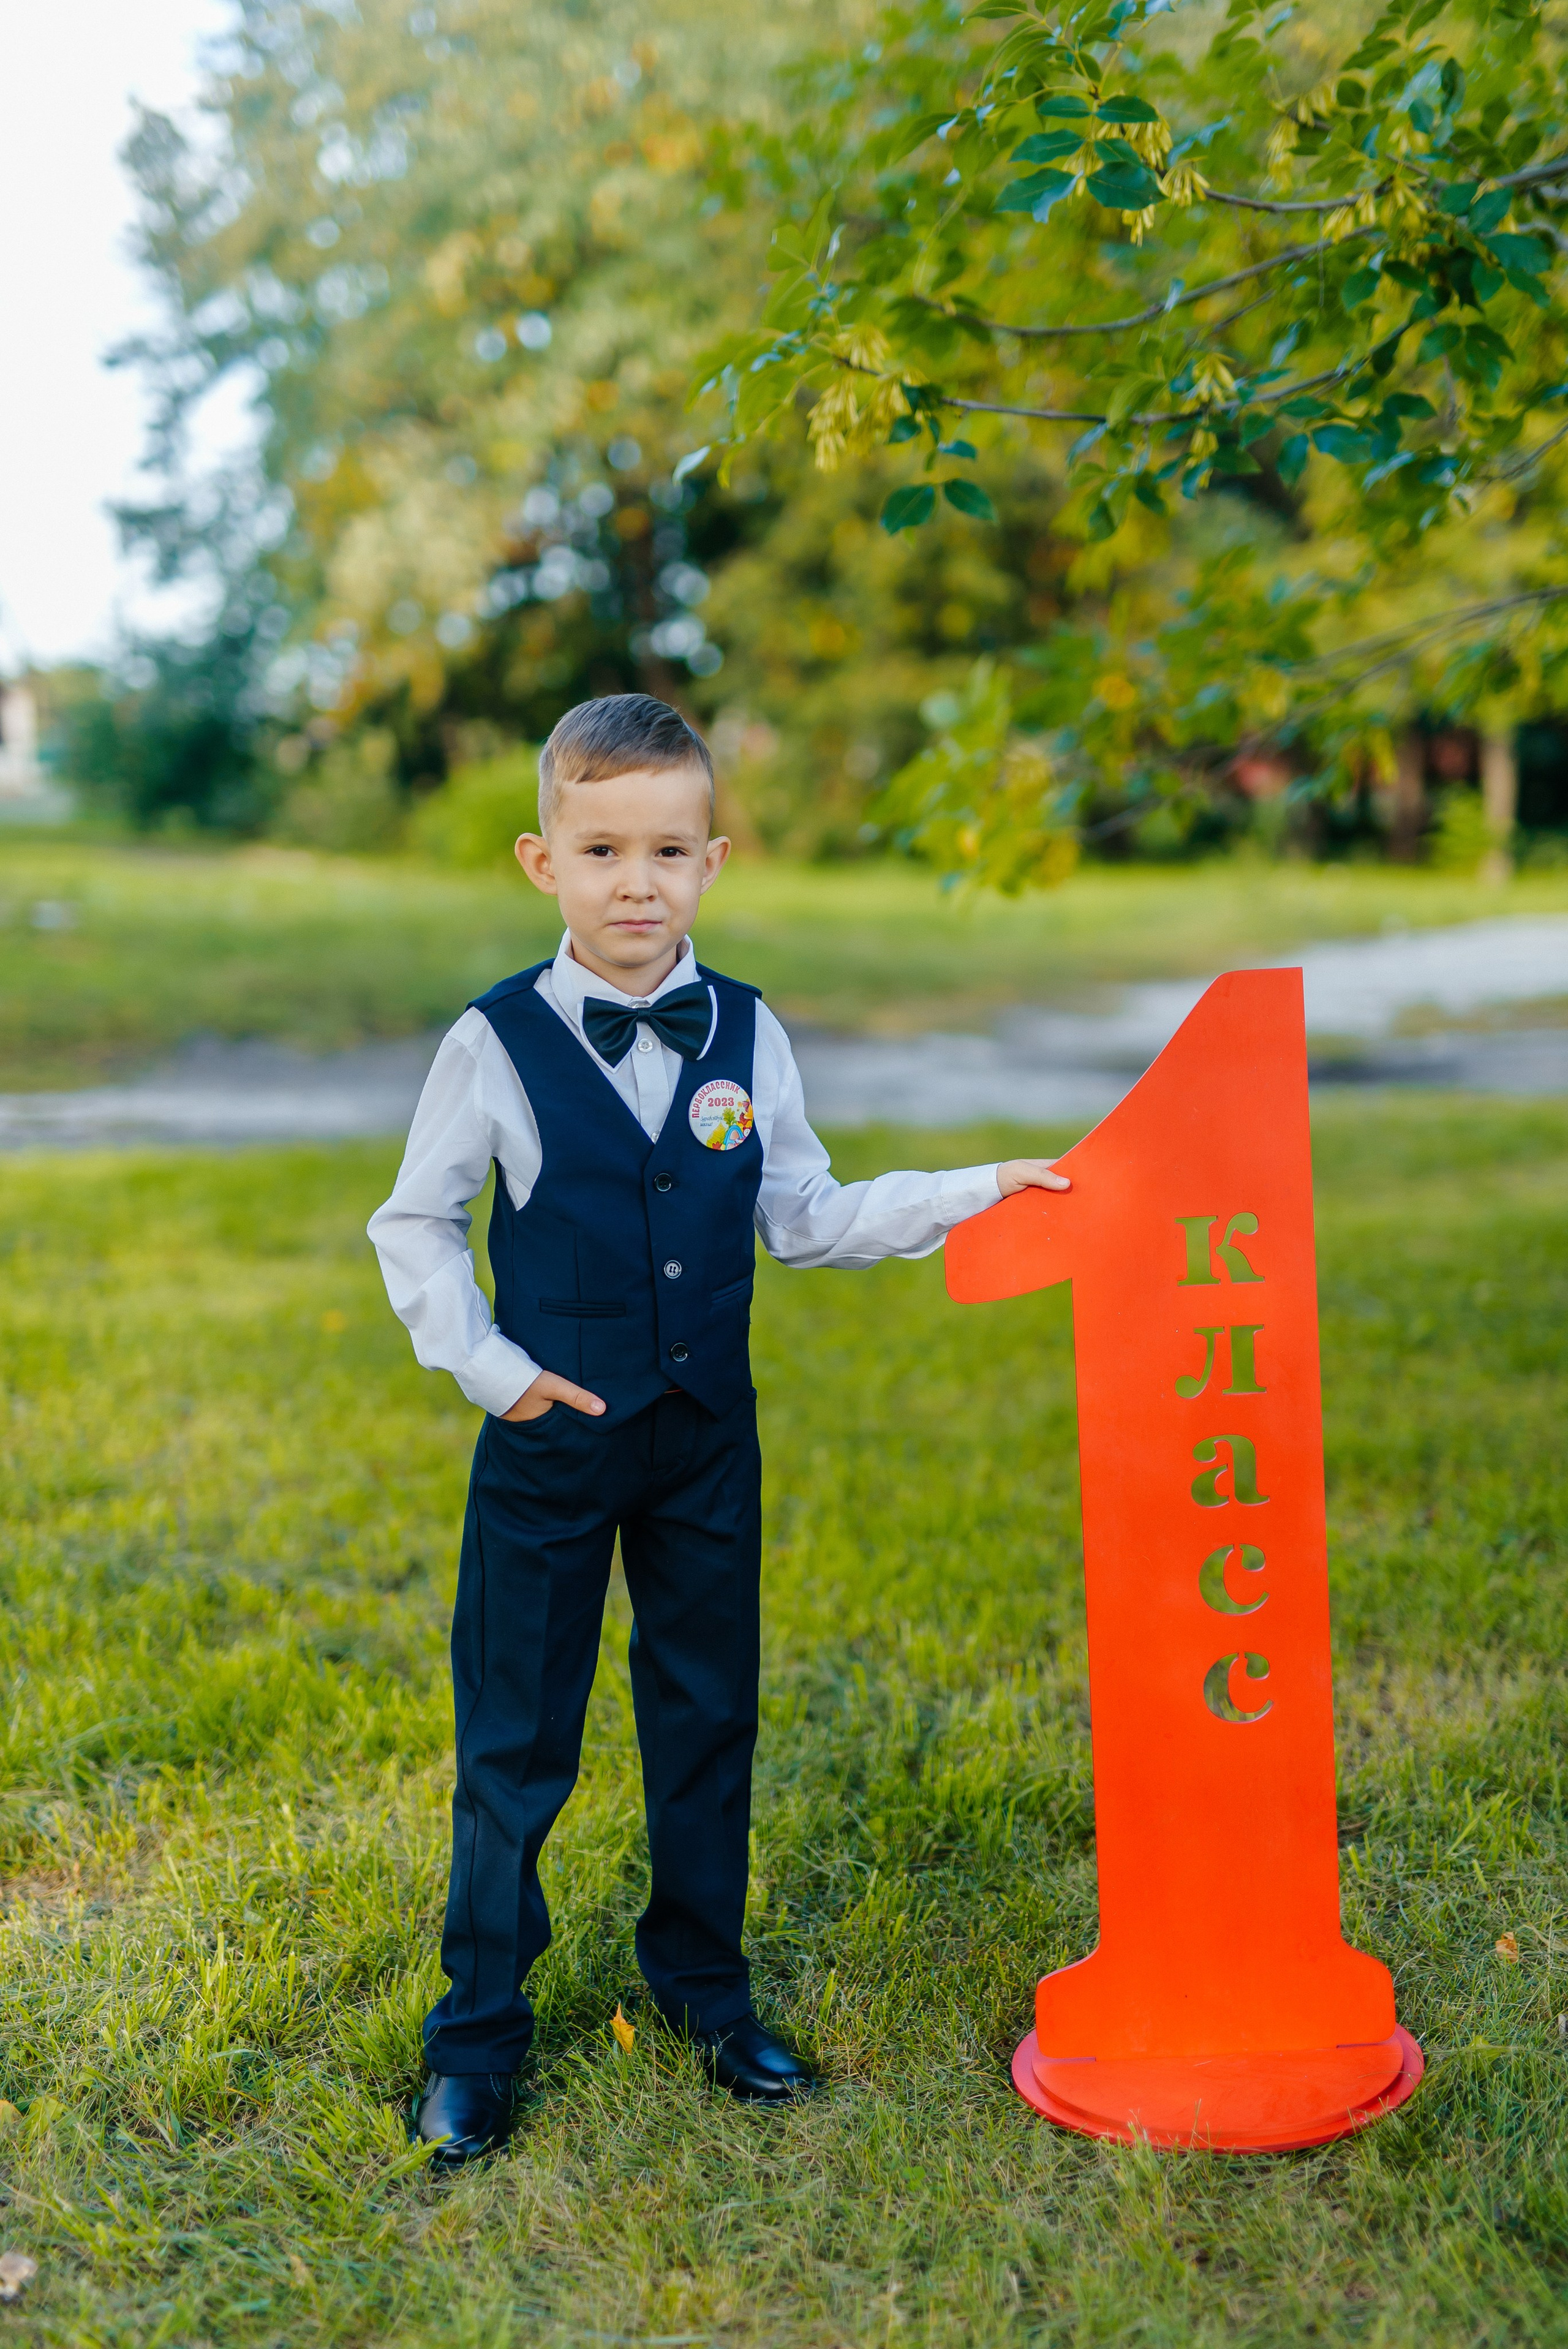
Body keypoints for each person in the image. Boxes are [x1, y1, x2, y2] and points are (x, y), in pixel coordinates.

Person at [368, 692, 1068, 2165]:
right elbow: (416, 1220)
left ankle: (700, 1988)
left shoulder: (744, 1027)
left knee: (705, 1722)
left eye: (668, 850)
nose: (637, 882)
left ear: (713, 859)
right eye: (603, 847)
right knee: (517, 1741)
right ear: (540, 858)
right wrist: (494, 1369)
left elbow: (804, 1215)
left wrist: (977, 1184)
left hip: (702, 1443)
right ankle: (477, 2035)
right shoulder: (492, 1042)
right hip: (551, 1440)